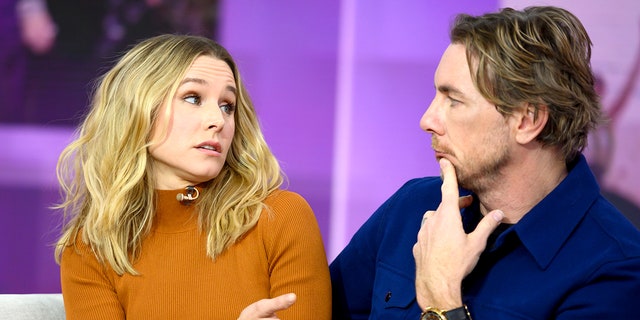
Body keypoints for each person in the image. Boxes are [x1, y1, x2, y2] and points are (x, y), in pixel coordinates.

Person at [330, 6, 640, 320]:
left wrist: (442, 300)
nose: (427, 120)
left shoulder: (615, 270)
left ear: (527, 120)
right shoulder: (412, 207)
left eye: (454, 100)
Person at [54, 34, 331, 319]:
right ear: (138, 111)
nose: (217, 120)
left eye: (228, 105)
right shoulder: (91, 248)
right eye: (193, 98)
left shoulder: (281, 217)